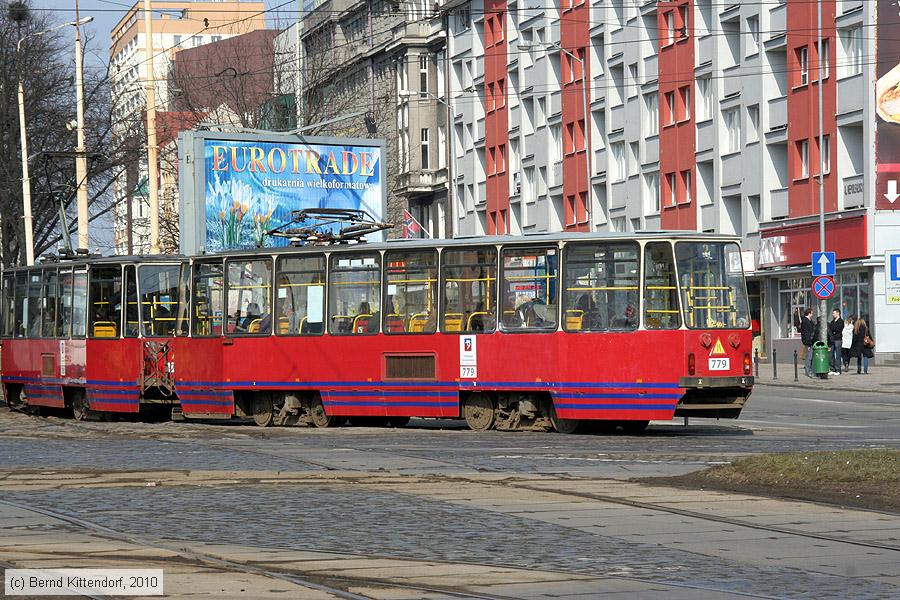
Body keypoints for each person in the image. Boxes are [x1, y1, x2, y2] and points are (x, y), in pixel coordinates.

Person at [827, 309, 844, 376]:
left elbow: (838, 329)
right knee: (830, 355)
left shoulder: (841, 321)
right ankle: (832, 369)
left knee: (838, 355)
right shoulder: (832, 321)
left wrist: (833, 330)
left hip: (838, 339)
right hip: (832, 340)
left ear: (838, 313)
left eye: (834, 313)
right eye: (832, 313)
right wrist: (833, 330)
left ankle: (838, 370)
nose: (832, 314)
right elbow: (830, 329)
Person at [799, 308, 815, 377]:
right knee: (809, 357)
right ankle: (808, 372)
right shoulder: (805, 322)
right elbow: (806, 333)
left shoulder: (808, 321)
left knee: (809, 357)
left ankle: (809, 371)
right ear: (809, 313)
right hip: (808, 342)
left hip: (809, 341)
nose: (812, 314)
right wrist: (808, 343)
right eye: (812, 313)